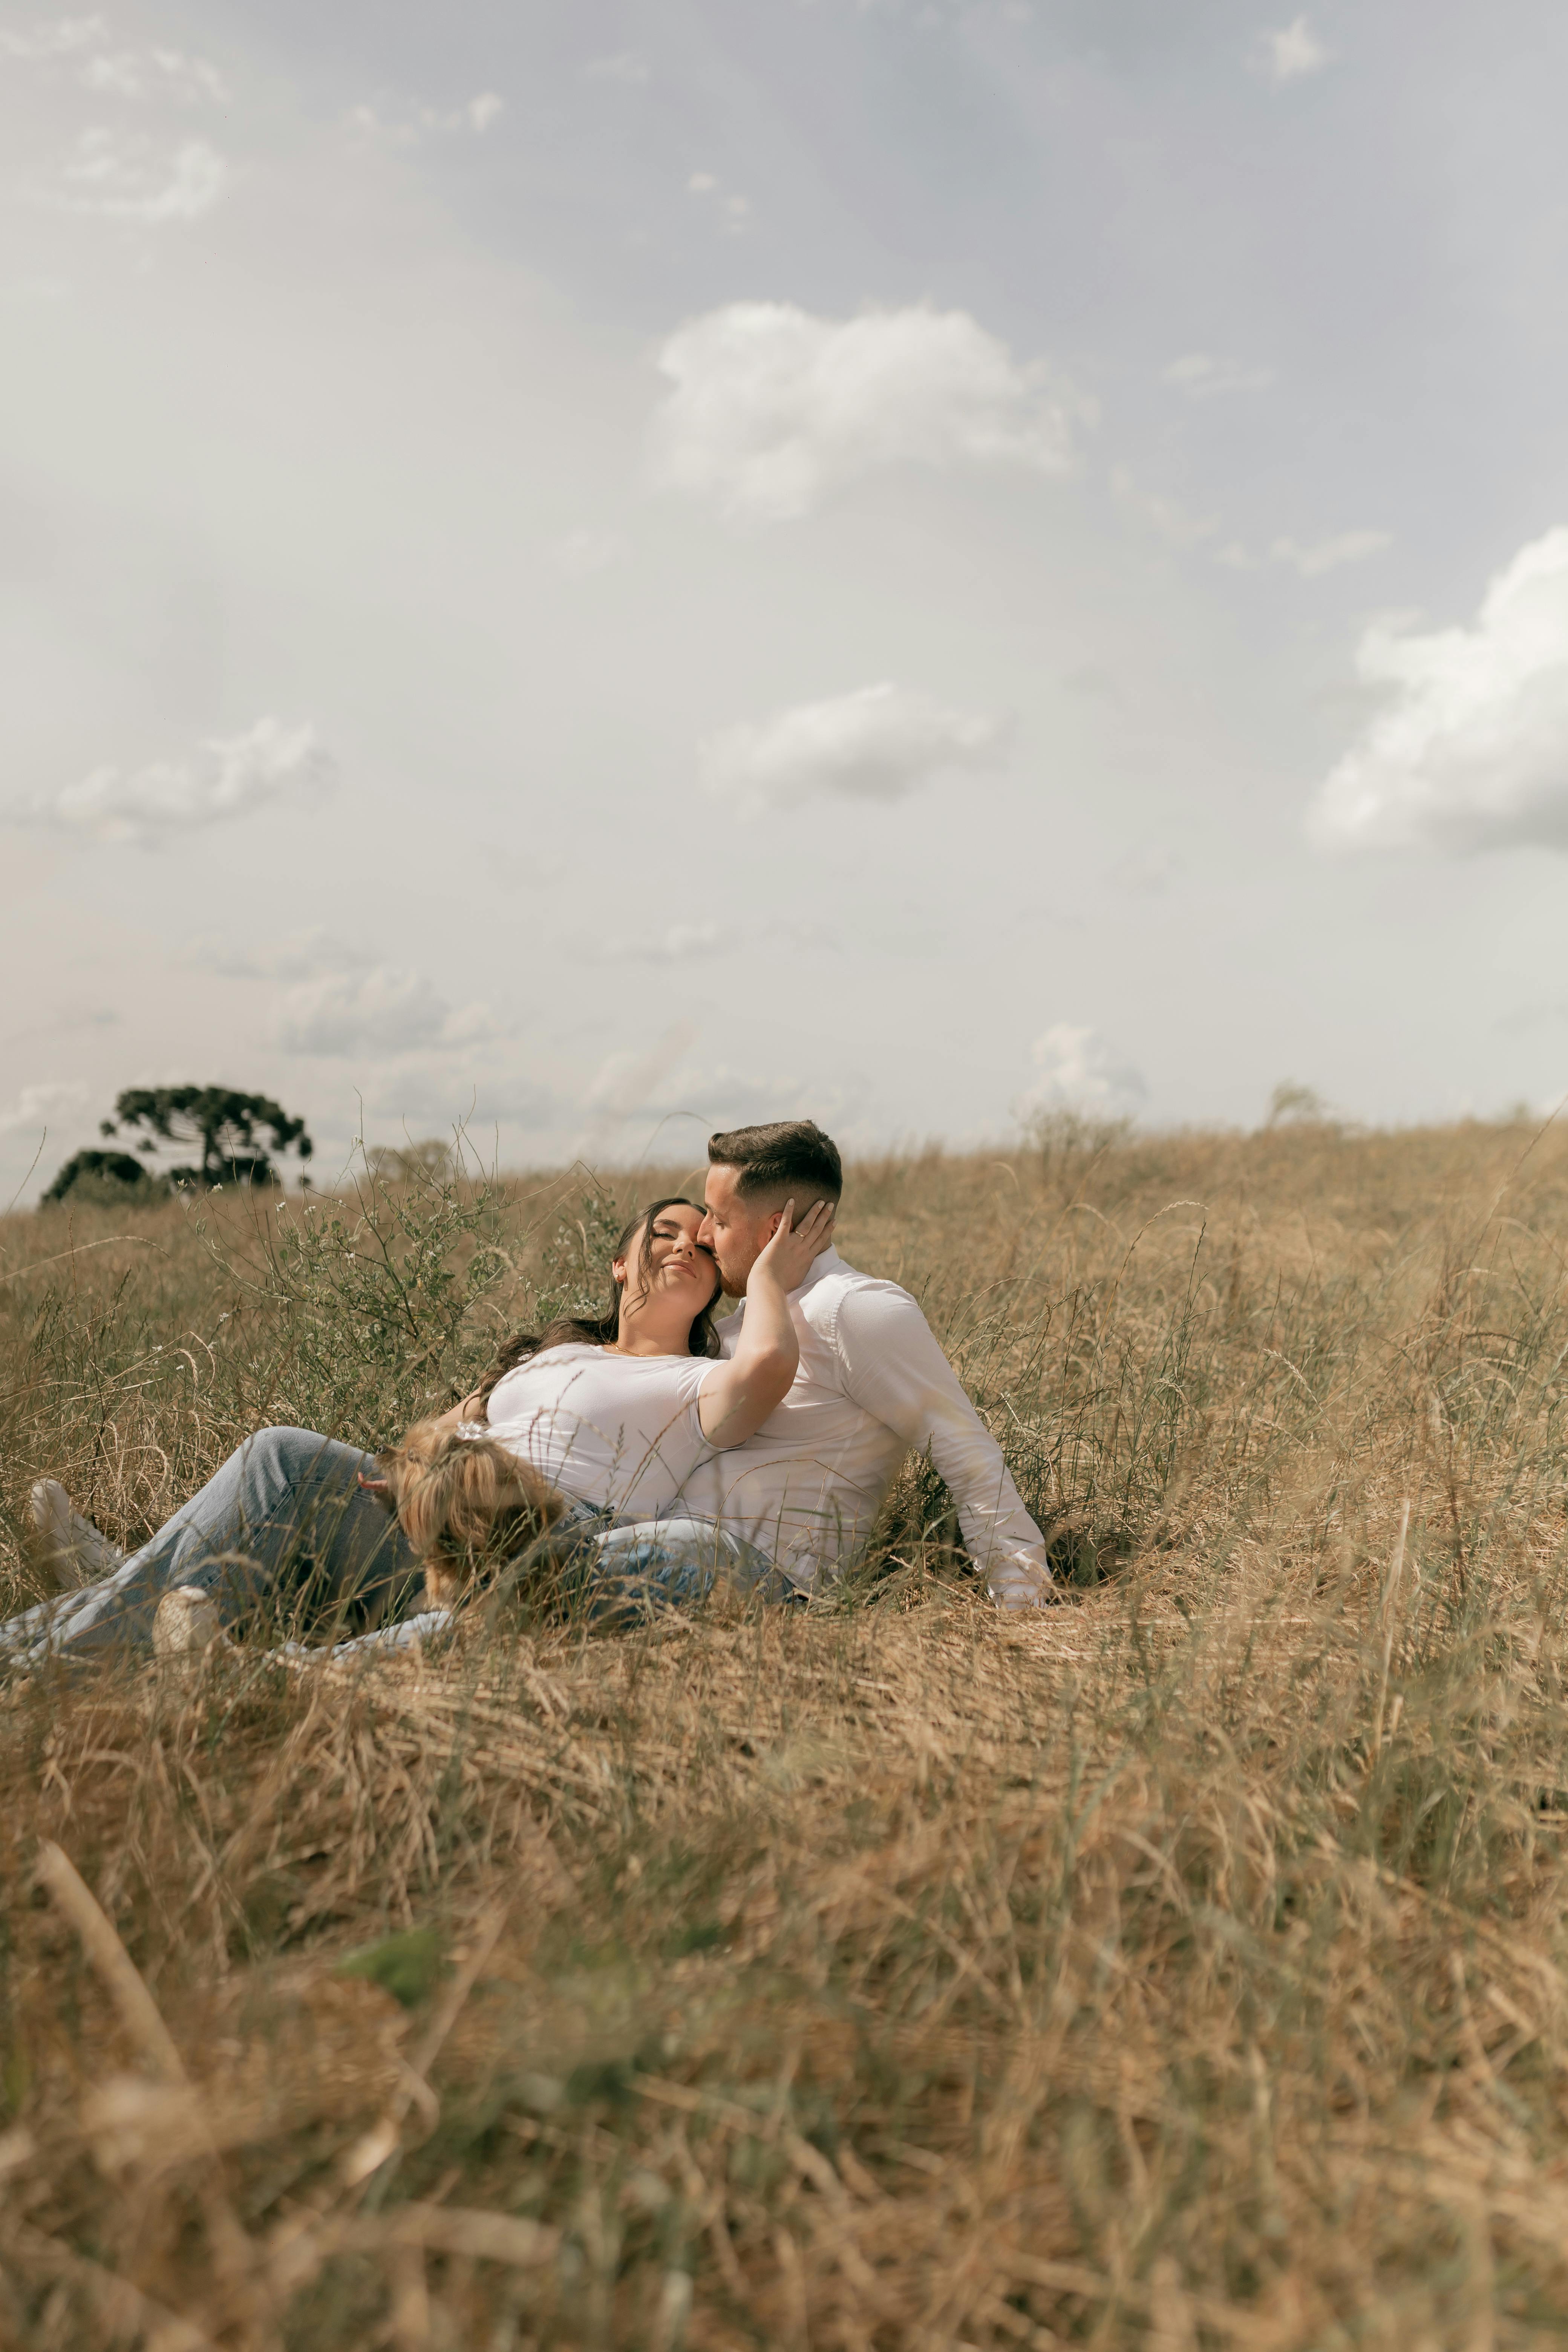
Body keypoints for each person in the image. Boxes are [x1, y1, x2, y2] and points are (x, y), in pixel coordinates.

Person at [1, 1195, 831, 1669]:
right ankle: (97, 1613)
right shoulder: (545, 1357)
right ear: (619, 1265)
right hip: (429, 1529)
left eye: (701, 1244)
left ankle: (121, 1615)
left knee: (600, 1557)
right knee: (282, 1457)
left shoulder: (698, 1379)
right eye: (663, 1232)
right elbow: (440, 1433)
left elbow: (764, 1369)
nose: (684, 1245)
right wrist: (413, 1470)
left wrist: (764, 1274)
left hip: (545, 1545)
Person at [693, 1121, 1052, 1610]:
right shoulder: (747, 1319)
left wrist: (1024, 1606)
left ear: (775, 1228)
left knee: (558, 1562)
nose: (701, 1233)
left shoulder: (853, 1310)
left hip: (757, 1578)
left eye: (718, 1218)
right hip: (673, 1552)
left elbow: (970, 1461)